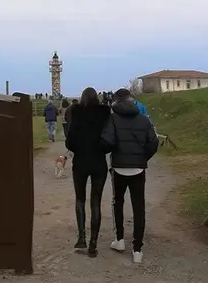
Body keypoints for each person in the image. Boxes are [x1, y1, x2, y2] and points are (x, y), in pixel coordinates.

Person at [101, 88, 158, 264]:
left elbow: (107, 142)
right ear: (132, 101)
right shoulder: (144, 119)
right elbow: (153, 142)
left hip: (119, 168)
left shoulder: (112, 118)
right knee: (138, 206)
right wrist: (143, 158)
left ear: (116, 101)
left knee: (117, 202)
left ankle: (119, 240)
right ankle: (137, 249)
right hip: (138, 169)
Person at [65, 87, 110, 257]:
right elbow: (109, 139)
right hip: (99, 162)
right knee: (96, 202)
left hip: (81, 162)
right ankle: (93, 243)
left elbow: (70, 143)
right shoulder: (105, 114)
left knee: (80, 199)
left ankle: (82, 237)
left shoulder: (77, 114)